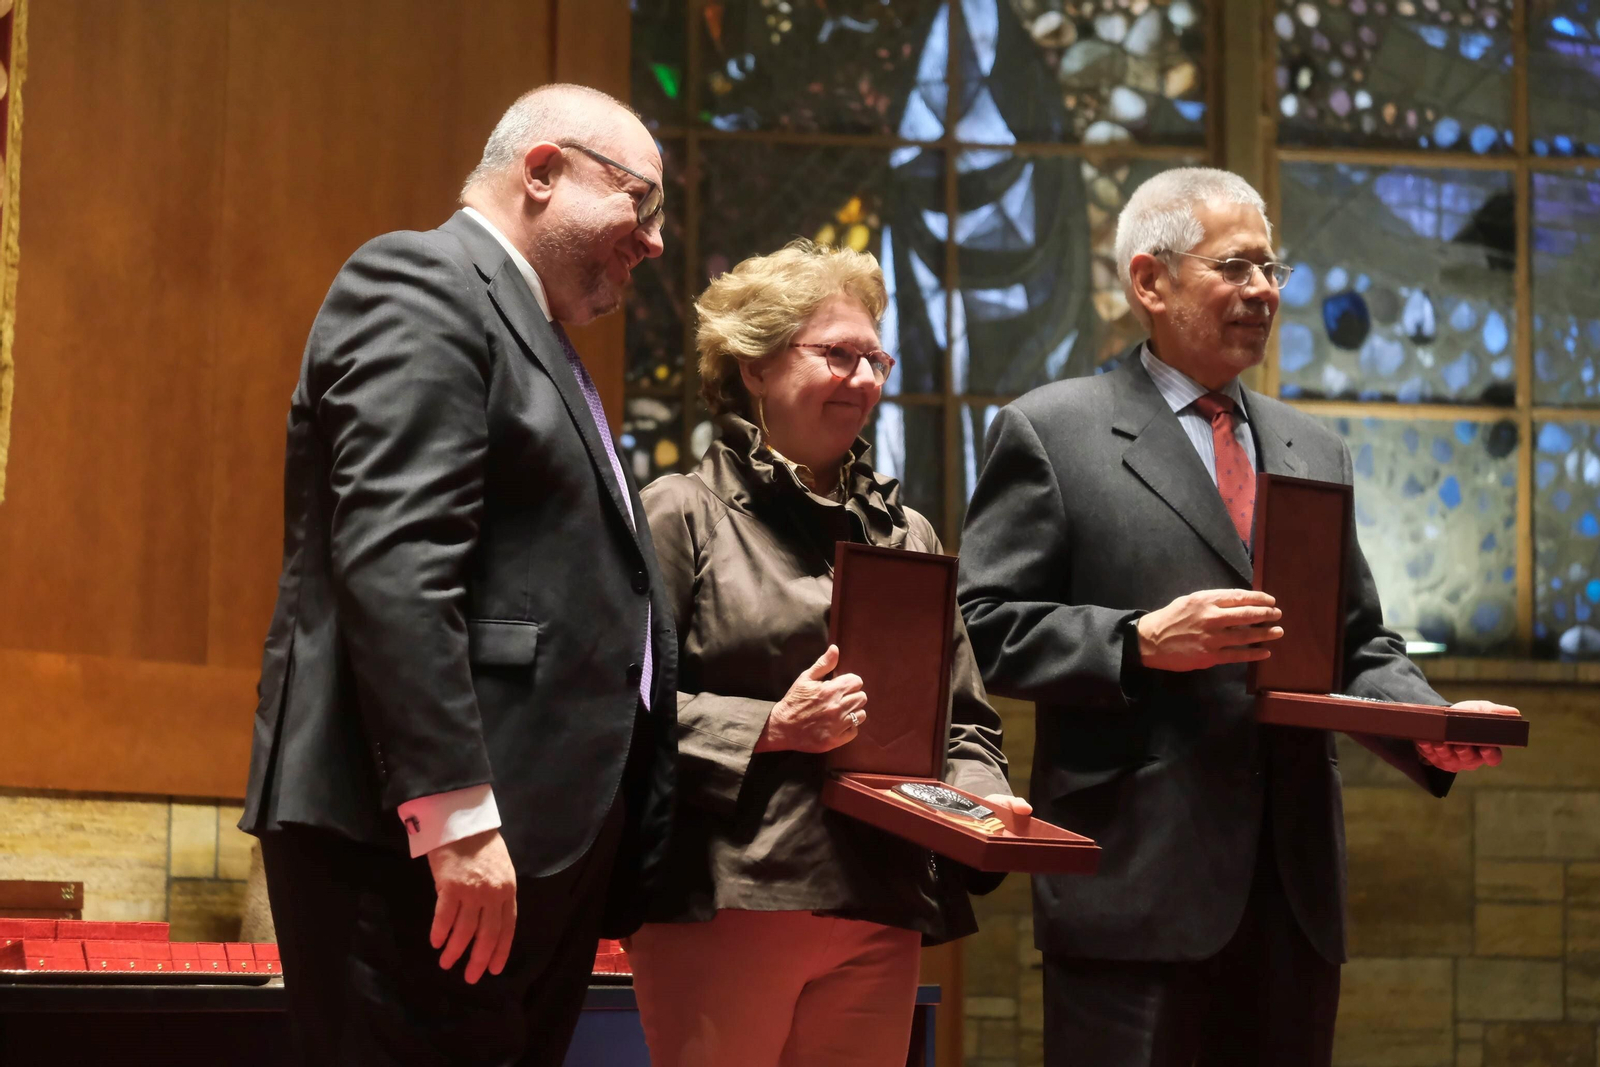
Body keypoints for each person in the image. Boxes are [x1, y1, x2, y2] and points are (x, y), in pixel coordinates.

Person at [956, 167, 1519, 1067]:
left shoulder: (1312, 446)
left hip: (1290, 890)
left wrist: (1427, 721)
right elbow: (984, 625)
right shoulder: (1053, 431)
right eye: (1235, 267)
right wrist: (1136, 641)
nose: (1263, 290)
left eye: (1272, 269)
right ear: (1151, 281)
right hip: (1136, 883)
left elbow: (1354, 640)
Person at [238, 84, 678, 1066]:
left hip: (529, 841)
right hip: (418, 843)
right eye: (640, 203)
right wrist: (457, 815)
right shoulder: (422, 280)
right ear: (542, 171)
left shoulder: (543, 340)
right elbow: (395, 560)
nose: (653, 241)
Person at [627, 239, 1028, 1067]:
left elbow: (964, 727)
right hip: (729, 897)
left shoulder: (908, 534)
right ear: (754, 366)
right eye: (836, 355)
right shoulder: (678, 514)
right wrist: (768, 726)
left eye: (874, 358)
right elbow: (609, 709)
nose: (864, 378)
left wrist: (981, 801)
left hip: (878, 900)